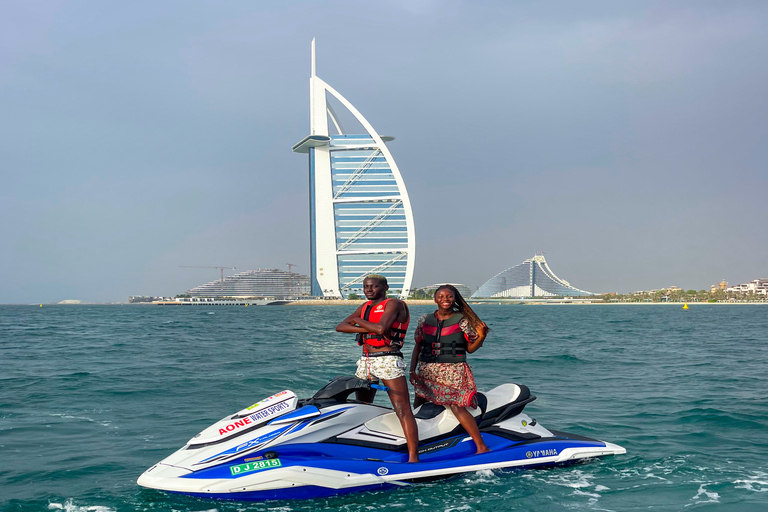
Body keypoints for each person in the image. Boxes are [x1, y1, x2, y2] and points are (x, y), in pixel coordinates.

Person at [335, 274, 420, 463]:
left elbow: (381, 329)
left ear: (385, 288)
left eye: (373, 286)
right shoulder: (365, 307)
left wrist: (358, 321)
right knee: (362, 407)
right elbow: (340, 327)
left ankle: (414, 456)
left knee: (402, 408)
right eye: (366, 287)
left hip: (387, 358)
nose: (369, 290)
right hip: (366, 360)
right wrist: (368, 328)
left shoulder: (394, 304)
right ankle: (367, 449)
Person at [409, 284, 490, 454]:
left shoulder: (463, 321)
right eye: (441, 296)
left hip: (453, 370)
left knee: (456, 406)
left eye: (449, 297)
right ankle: (415, 443)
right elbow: (418, 346)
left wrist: (481, 336)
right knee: (419, 401)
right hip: (427, 369)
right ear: (435, 299)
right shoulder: (424, 319)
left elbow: (470, 348)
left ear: (454, 299)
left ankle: (481, 446)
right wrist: (412, 370)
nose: (445, 300)